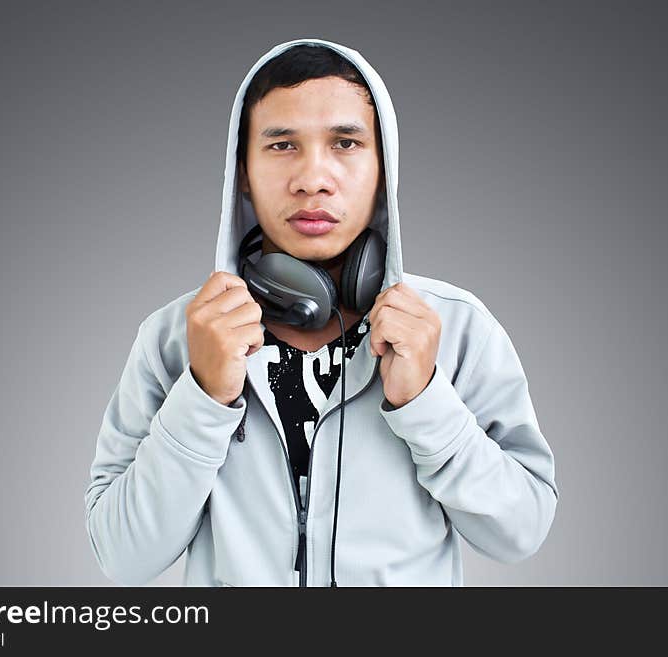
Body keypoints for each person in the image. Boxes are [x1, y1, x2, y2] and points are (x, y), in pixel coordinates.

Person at [85, 37, 559, 587]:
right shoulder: (176, 338)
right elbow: (123, 556)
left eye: (346, 143)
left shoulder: (454, 328)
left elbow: (520, 531)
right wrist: (203, 397)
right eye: (282, 145)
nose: (313, 178)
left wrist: (427, 401)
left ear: (385, 169)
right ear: (242, 173)